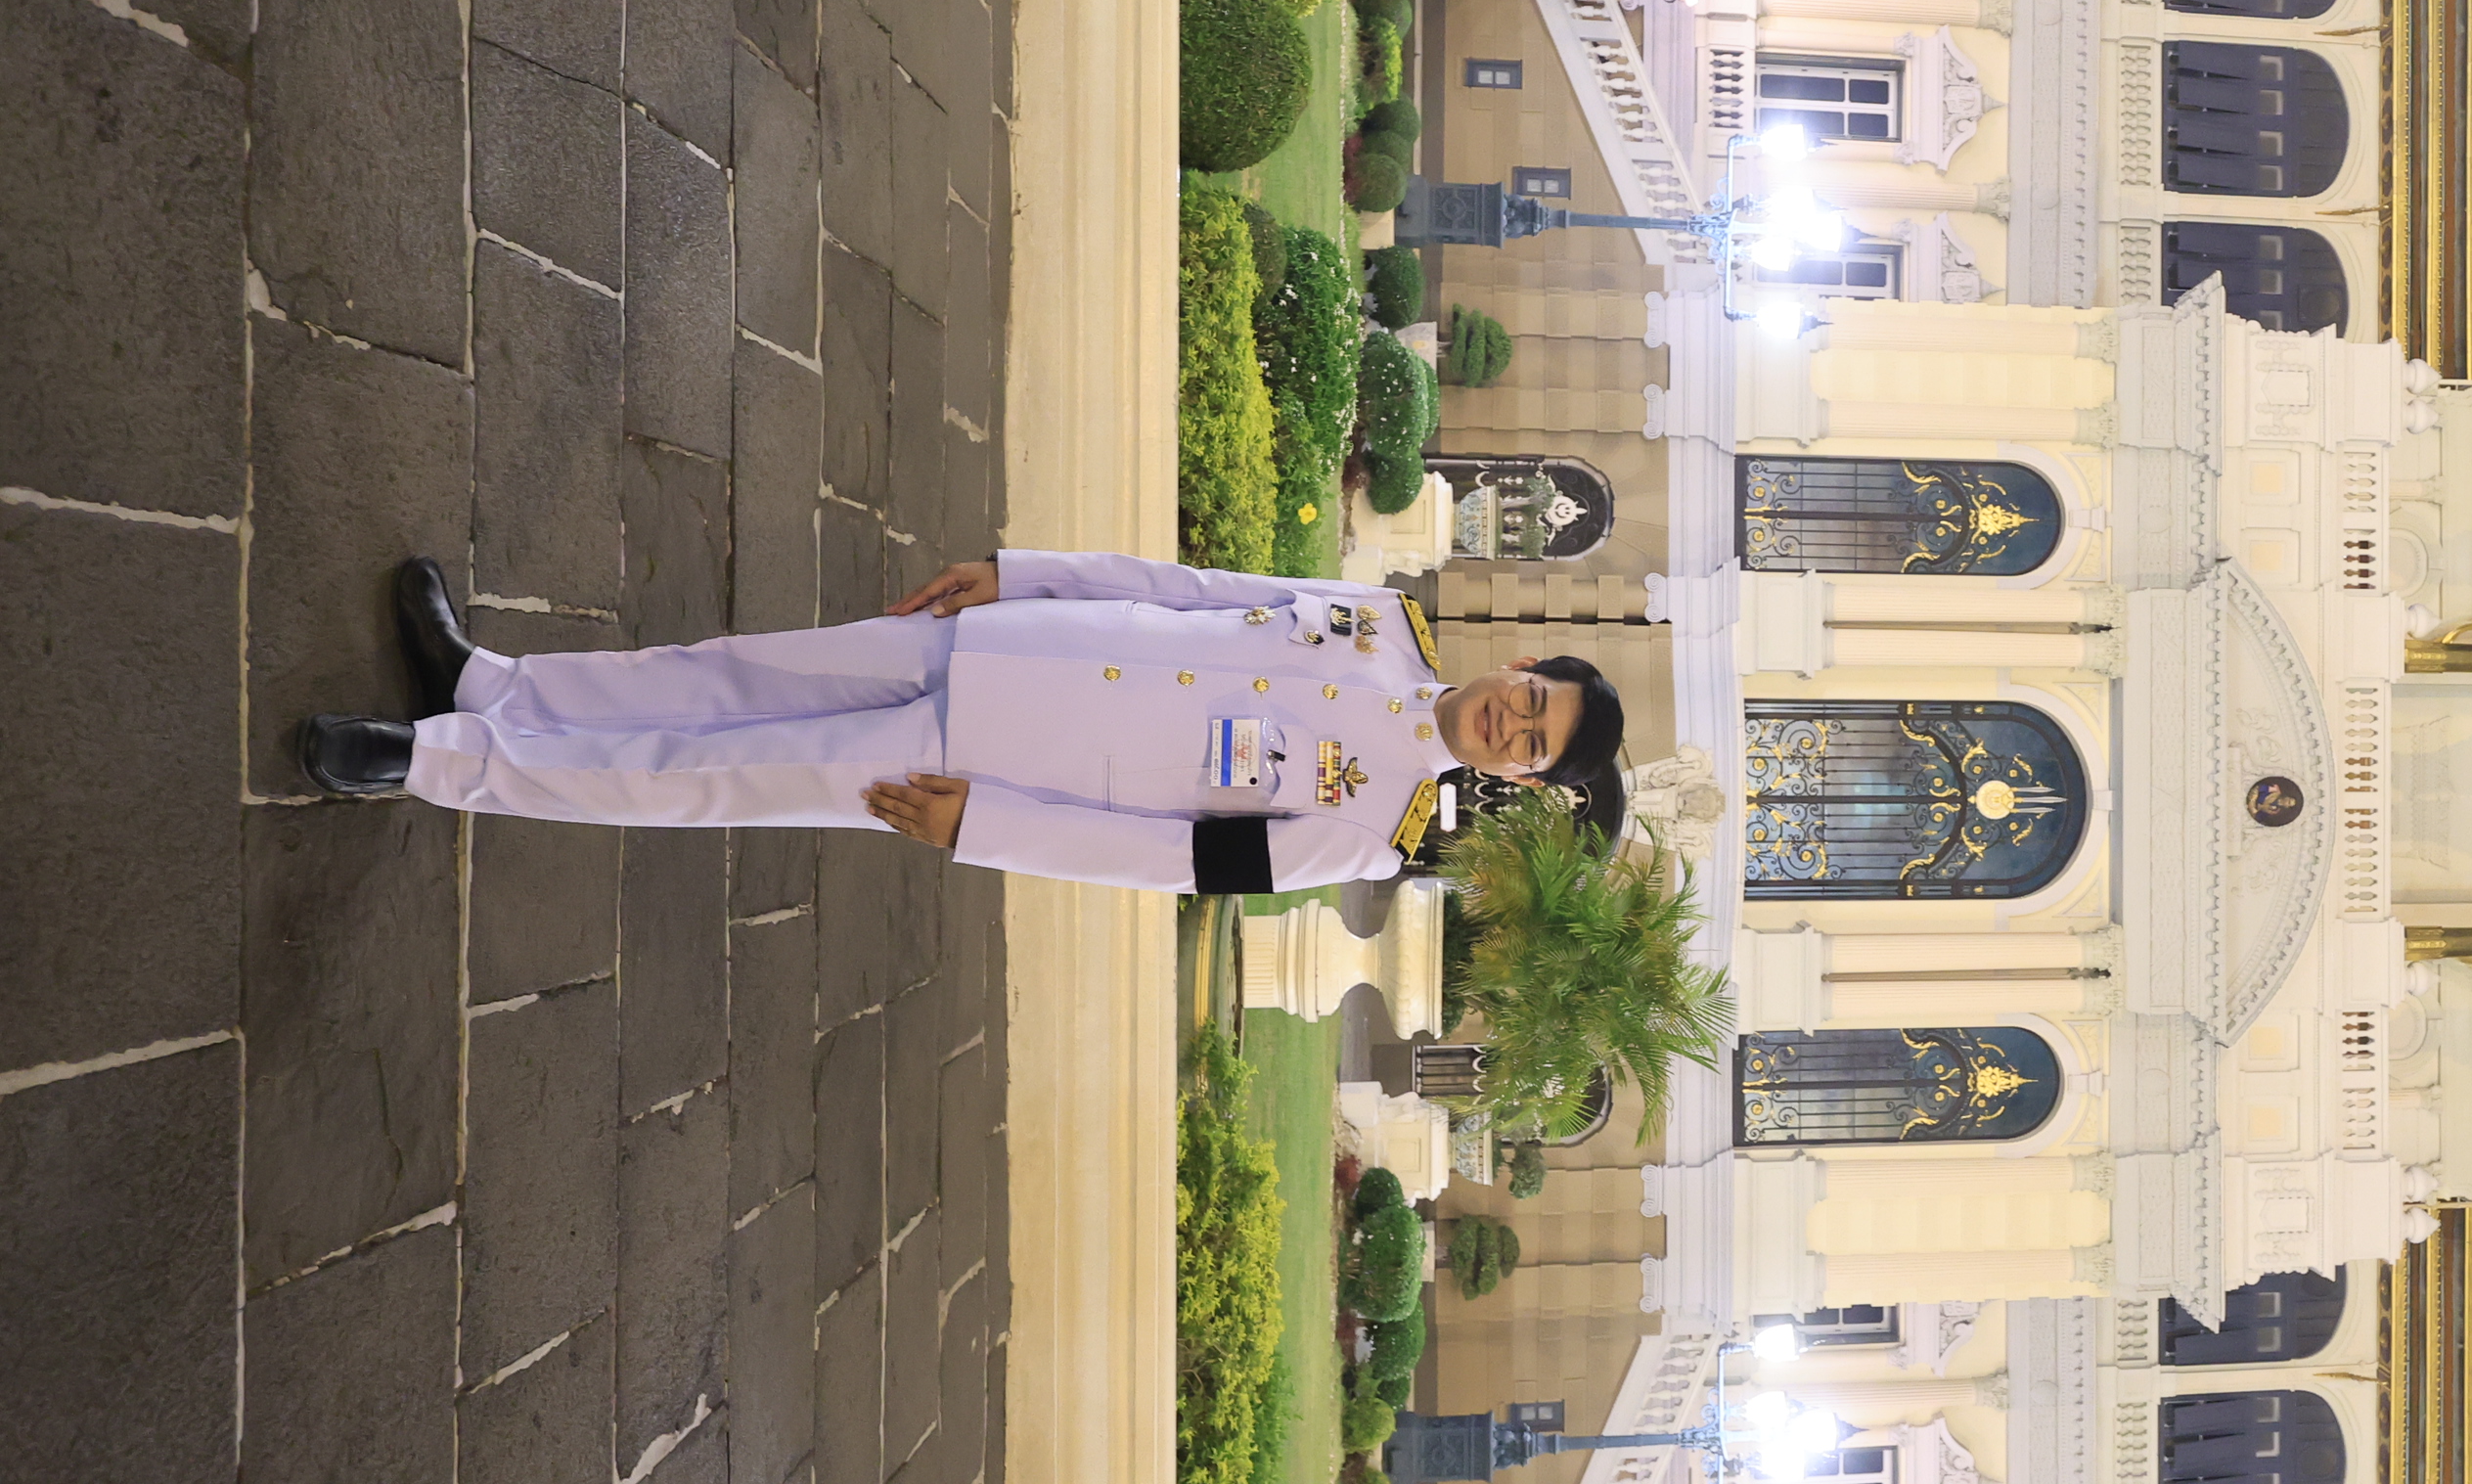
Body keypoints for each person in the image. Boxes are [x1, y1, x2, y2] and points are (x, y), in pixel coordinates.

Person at [292, 553, 1627, 895]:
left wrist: (984, 827)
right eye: (1533, 700)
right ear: (1523, 664)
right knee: (719, 679)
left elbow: (1169, 858)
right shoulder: (1384, 622)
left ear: (1519, 777)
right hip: (1000, 648)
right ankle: (492, 689)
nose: (1511, 724)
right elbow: (1188, 592)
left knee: (710, 777)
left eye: (1531, 745)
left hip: (980, 764)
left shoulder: (1374, 828)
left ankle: (431, 766)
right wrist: (1021, 574)